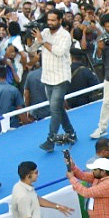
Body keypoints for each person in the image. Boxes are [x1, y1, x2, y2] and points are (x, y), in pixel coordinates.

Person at [37, 9, 75, 152]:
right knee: (58, 108)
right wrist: (31, 36)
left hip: (61, 77)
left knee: (54, 109)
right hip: (47, 77)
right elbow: (30, 48)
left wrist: (42, 42)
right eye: (49, 20)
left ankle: (50, 140)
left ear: (60, 20)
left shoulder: (65, 35)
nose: (50, 23)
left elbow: (59, 52)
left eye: (53, 20)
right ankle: (70, 133)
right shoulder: (45, 32)